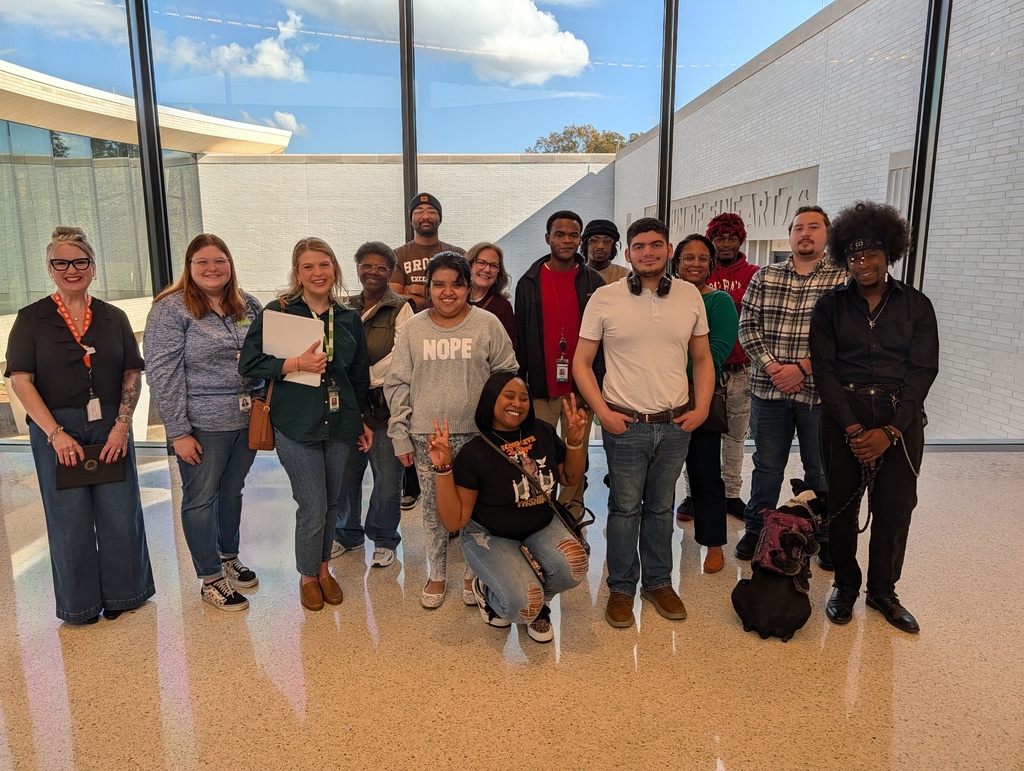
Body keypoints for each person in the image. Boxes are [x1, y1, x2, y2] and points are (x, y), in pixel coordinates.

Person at [5, 226, 155, 624]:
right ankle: (80, 605)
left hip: (110, 425)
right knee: (67, 520)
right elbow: (20, 380)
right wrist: (55, 434)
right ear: (50, 269)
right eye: (61, 263)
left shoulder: (114, 317)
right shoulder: (30, 318)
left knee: (121, 515)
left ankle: (128, 593)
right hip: (57, 428)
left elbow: (132, 373)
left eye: (80, 262)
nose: (71, 269)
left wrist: (122, 425)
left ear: (92, 267)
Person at [574, 217, 714, 628]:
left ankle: (658, 582)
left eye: (656, 245)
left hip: (674, 426)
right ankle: (620, 588)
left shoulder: (689, 295)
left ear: (668, 250)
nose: (648, 253)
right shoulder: (604, 297)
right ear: (628, 253)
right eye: (639, 246)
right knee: (623, 509)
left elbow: (703, 359)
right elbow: (582, 363)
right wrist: (602, 412)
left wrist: (702, 407)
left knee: (661, 507)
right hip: (626, 424)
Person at [810, 201, 938, 634]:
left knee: (895, 509)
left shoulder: (917, 306)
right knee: (842, 509)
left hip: (898, 417)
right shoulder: (829, 306)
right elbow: (823, 371)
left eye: (872, 255)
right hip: (842, 414)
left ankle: (883, 591)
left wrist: (890, 430)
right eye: (854, 256)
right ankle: (845, 586)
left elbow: (923, 372)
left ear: (890, 255)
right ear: (845, 258)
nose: (863, 263)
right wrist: (852, 429)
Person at [239, 237, 372, 612]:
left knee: (332, 503)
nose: (318, 273)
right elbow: (248, 365)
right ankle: (307, 575)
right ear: (297, 273)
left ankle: (325, 568)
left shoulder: (347, 318)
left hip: (341, 422)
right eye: (309, 266)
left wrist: (360, 419)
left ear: (335, 270)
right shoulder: (278, 312)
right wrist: (293, 364)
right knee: (312, 504)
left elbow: (358, 377)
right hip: (295, 423)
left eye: (324, 265)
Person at [384, 252, 518, 609]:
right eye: (439, 284)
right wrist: (400, 433)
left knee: (479, 509)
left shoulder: (487, 323)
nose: (448, 292)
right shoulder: (414, 328)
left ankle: (475, 571)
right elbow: (396, 384)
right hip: (428, 436)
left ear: (468, 286)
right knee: (433, 510)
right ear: (427, 287)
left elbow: (507, 373)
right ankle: (437, 573)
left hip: (480, 437)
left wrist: (503, 427)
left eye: (456, 284)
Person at [145, 233, 263, 611]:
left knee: (232, 491)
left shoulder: (249, 305)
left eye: (220, 261)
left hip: (246, 419)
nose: (213, 269)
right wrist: (178, 430)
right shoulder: (171, 309)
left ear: (230, 265)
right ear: (190, 268)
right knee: (200, 499)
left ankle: (229, 556)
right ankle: (210, 578)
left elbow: (264, 358)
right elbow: (162, 374)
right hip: (201, 424)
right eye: (203, 262)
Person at [428, 373, 589, 642]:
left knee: (573, 568)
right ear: (491, 400)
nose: (518, 403)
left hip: (541, 524)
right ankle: (488, 593)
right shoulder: (474, 452)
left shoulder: (543, 431)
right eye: (509, 396)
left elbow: (570, 478)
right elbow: (455, 521)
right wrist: (443, 468)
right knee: (519, 605)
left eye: (524, 398)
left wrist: (574, 441)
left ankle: (539, 606)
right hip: (490, 535)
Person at [735, 206, 847, 564]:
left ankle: (825, 532)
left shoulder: (842, 281)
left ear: (826, 235)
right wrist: (773, 367)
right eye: (799, 228)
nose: (806, 234)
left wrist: (802, 368)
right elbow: (747, 326)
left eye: (814, 227)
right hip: (769, 391)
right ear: (790, 235)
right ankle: (757, 528)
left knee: (820, 468)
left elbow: (845, 337)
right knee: (767, 465)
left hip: (819, 395)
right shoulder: (765, 276)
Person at [515, 210, 605, 510]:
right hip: (540, 387)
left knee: (576, 452)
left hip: (579, 389)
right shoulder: (529, 281)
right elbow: (520, 340)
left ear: (580, 239)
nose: (567, 240)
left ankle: (572, 519)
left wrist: (594, 388)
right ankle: (541, 515)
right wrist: (522, 383)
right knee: (539, 456)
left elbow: (605, 340)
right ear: (547, 238)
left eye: (573, 235)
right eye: (560, 234)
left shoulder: (595, 281)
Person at [332, 242, 414, 569]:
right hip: (348, 408)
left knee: (387, 479)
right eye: (367, 265)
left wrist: (358, 374)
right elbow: (331, 351)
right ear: (357, 267)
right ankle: (346, 533)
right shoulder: (343, 306)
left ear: (391, 271)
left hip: (385, 408)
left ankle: (383, 538)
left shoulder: (401, 307)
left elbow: (402, 358)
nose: (373, 272)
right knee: (345, 475)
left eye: (381, 267)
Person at [677, 213, 760, 522]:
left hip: (736, 370)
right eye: (720, 238)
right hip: (693, 374)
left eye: (732, 237)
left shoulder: (754, 273)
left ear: (741, 240)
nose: (726, 243)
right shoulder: (692, 279)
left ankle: (731, 495)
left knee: (735, 438)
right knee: (695, 437)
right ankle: (691, 494)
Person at [388, 193, 464, 511]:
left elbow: (461, 292)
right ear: (411, 219)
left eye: (431, 210)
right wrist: (414, 293)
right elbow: (393, 293)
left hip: (451, 336)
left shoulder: (456, 252)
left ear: (439, 217)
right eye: (419, 211)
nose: (425, 215)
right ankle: (412, 484)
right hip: (414, 334)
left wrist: (413, 291)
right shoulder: (398, 254)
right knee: (414, 403)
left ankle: (456, 487)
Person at [671, 235, 739, 574]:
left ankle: (713, 543)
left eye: (702, 258)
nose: (694, 263)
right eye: (688, 257)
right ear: (677, 262)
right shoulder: (663, 300)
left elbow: (715, 354)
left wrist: (668, 366)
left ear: (711, 265)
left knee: (705, 474)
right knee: (655, 480)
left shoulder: (719, 302)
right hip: (657, 401)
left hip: (700, 399)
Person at [465, 242, 518, 358]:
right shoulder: (455, 301)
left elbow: (511, 352)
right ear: (469, 265)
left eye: (493, 265)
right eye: (481, 262)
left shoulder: (502, 307)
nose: (487, 269)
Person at [582, 219, 629, 283]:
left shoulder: (625, 276)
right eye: (594, 240)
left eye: (607, 241)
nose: (600, 246)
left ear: (613, 246)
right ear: (586, 244)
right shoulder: (577, 275)